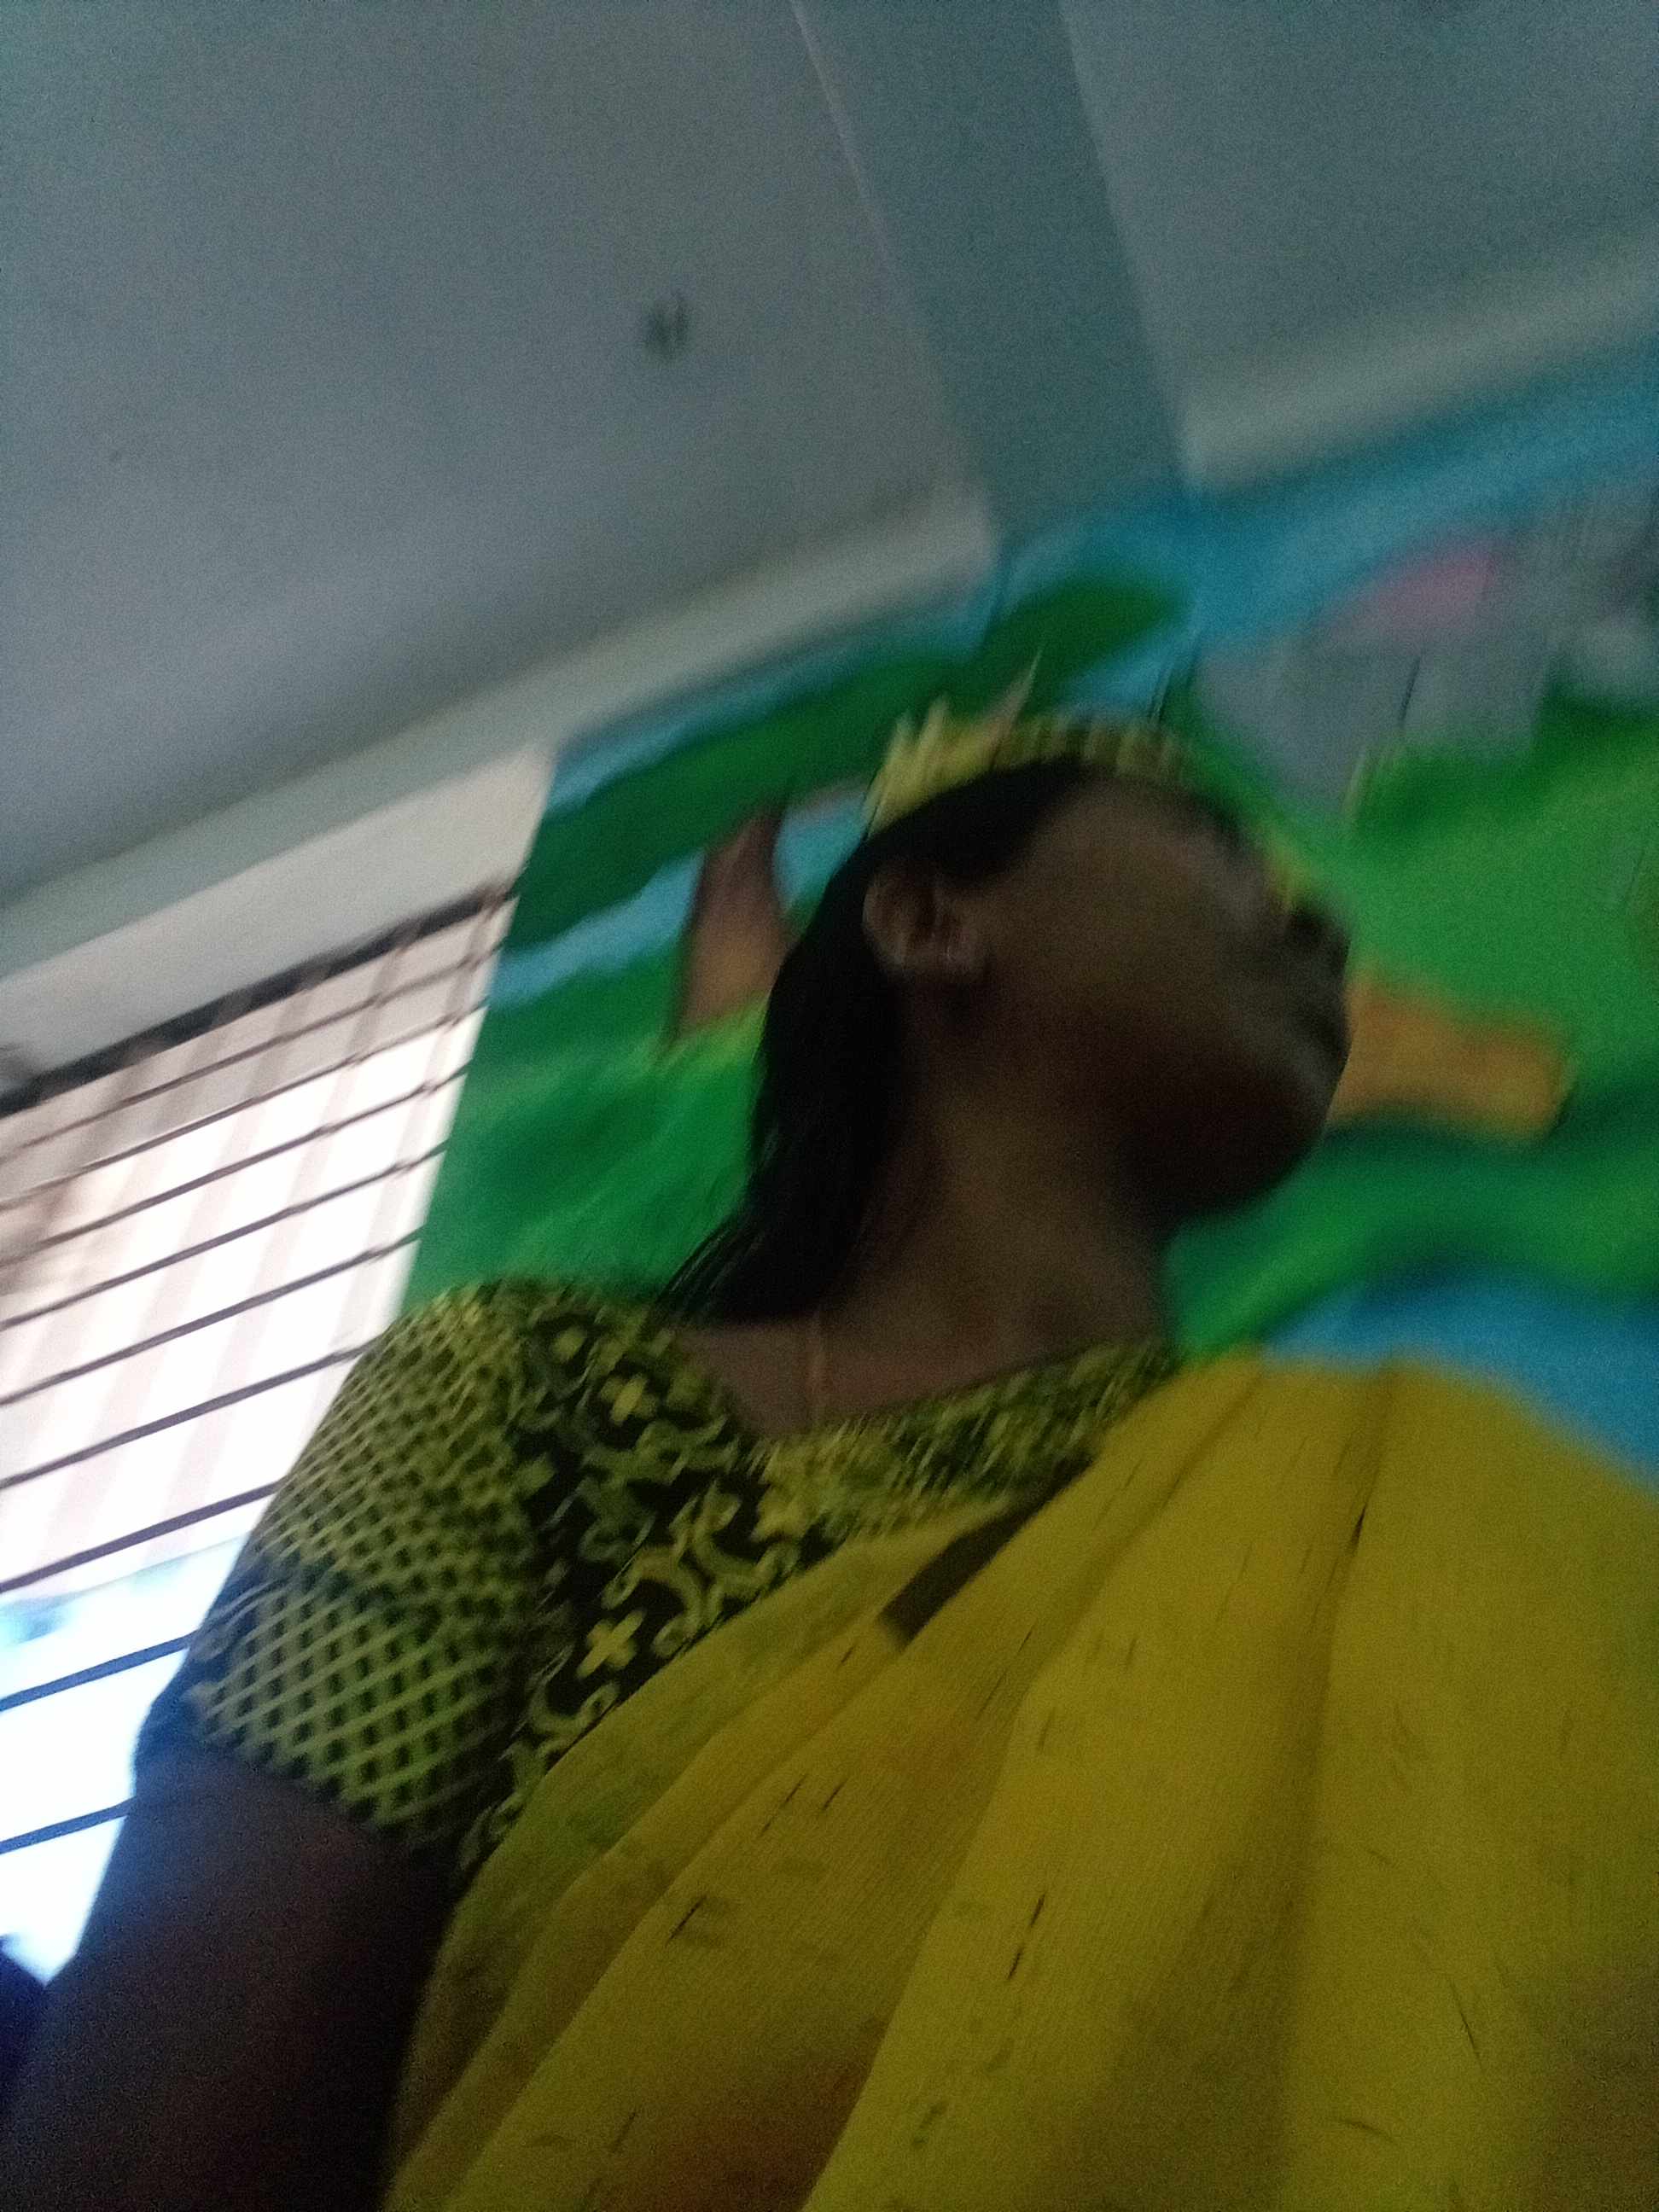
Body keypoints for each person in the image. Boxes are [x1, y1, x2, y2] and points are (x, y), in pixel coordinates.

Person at [2, 698, 1655, 2212]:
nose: (1315, 918)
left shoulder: (1378, 1514)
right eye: (1219, 853)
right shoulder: (541, 1398)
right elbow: (172, 2114)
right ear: (932, 923)